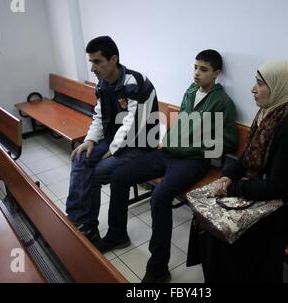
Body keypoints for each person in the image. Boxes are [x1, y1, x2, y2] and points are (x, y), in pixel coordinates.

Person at [96, 49, 238, 283]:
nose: (196, 73)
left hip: (193, 162)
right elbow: (183, 123)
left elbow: (229, 141)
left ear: (217, 73)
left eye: (203, 69)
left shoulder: (222, 102)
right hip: (168, 153)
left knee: (160, 197)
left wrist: (196, 147)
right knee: (119, 175)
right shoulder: (191, 92)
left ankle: (158, 268)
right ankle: (117, 234)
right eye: (195, 67)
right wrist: (172, 139)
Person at [186, 59, 288, 283]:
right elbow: (246, 158)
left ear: (280, 87)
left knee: (227, 233)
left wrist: (233, 189)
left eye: (260, 83)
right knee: (206, 216)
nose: (253, 88)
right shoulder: (269, 115)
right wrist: (228, 177)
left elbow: (277, 187)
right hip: (267, 191)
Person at [65, 36, 160, 243]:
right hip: (115, 141)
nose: (93, 68)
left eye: (97, 62)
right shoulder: (102, 84)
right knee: (81, 158)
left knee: (97, 171)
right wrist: (90, 140)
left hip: (140, 145)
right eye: (91, 62)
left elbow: (132, 124)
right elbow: (99, 115)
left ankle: (94, 227)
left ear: (113, 59)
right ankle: (79, 222)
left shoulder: (135, 83)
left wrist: (112, 151)